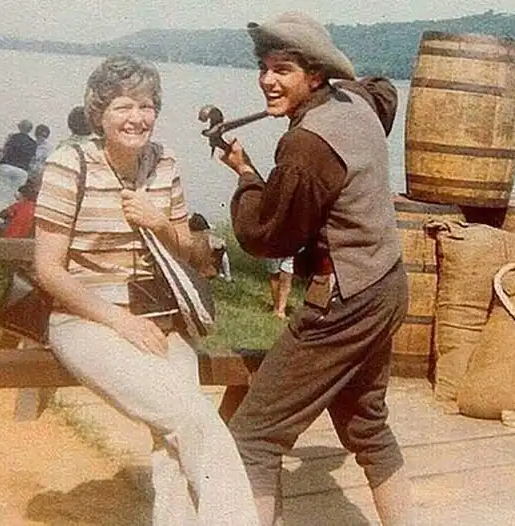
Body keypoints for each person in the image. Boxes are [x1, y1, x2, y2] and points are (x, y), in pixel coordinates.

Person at [33, 55, 259, 525]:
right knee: (193, 420)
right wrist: (120, 321)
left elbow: (188, 250)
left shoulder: (164, 162)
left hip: (158, 319)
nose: (136, 118)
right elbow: (49, 270)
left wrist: (159, 223)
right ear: (99, 113)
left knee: (176, 435)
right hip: (85, 319)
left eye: (146, 106)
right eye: (123, 106)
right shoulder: (69, 164)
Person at [219, 12, 412, 525]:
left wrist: (245, 176)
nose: (267, 80)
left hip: (347, 300)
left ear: (316, 74)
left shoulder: (306, 145)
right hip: (388, 284)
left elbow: (268, 236)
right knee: (368, 428)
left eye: (283, 70)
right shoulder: (358, 100)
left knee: (254, 437)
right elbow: (385, 90)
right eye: (264, 68)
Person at [0, 119, 37, 211]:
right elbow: (32, 159)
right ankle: (12, 215)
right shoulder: (33, 143)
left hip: (7, 166)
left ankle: (1, 215)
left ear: (19, 127)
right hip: (22, 170)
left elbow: (5, 150)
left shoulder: (13, 137)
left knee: (3, 194)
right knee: (16, 195)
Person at [188, 212, 233, 282]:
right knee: (221, 251)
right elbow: (221, 245)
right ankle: (227, 276)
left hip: (190, 268)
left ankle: (225, 275)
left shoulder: (188, 237)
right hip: (202, 270)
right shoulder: (205, 237)